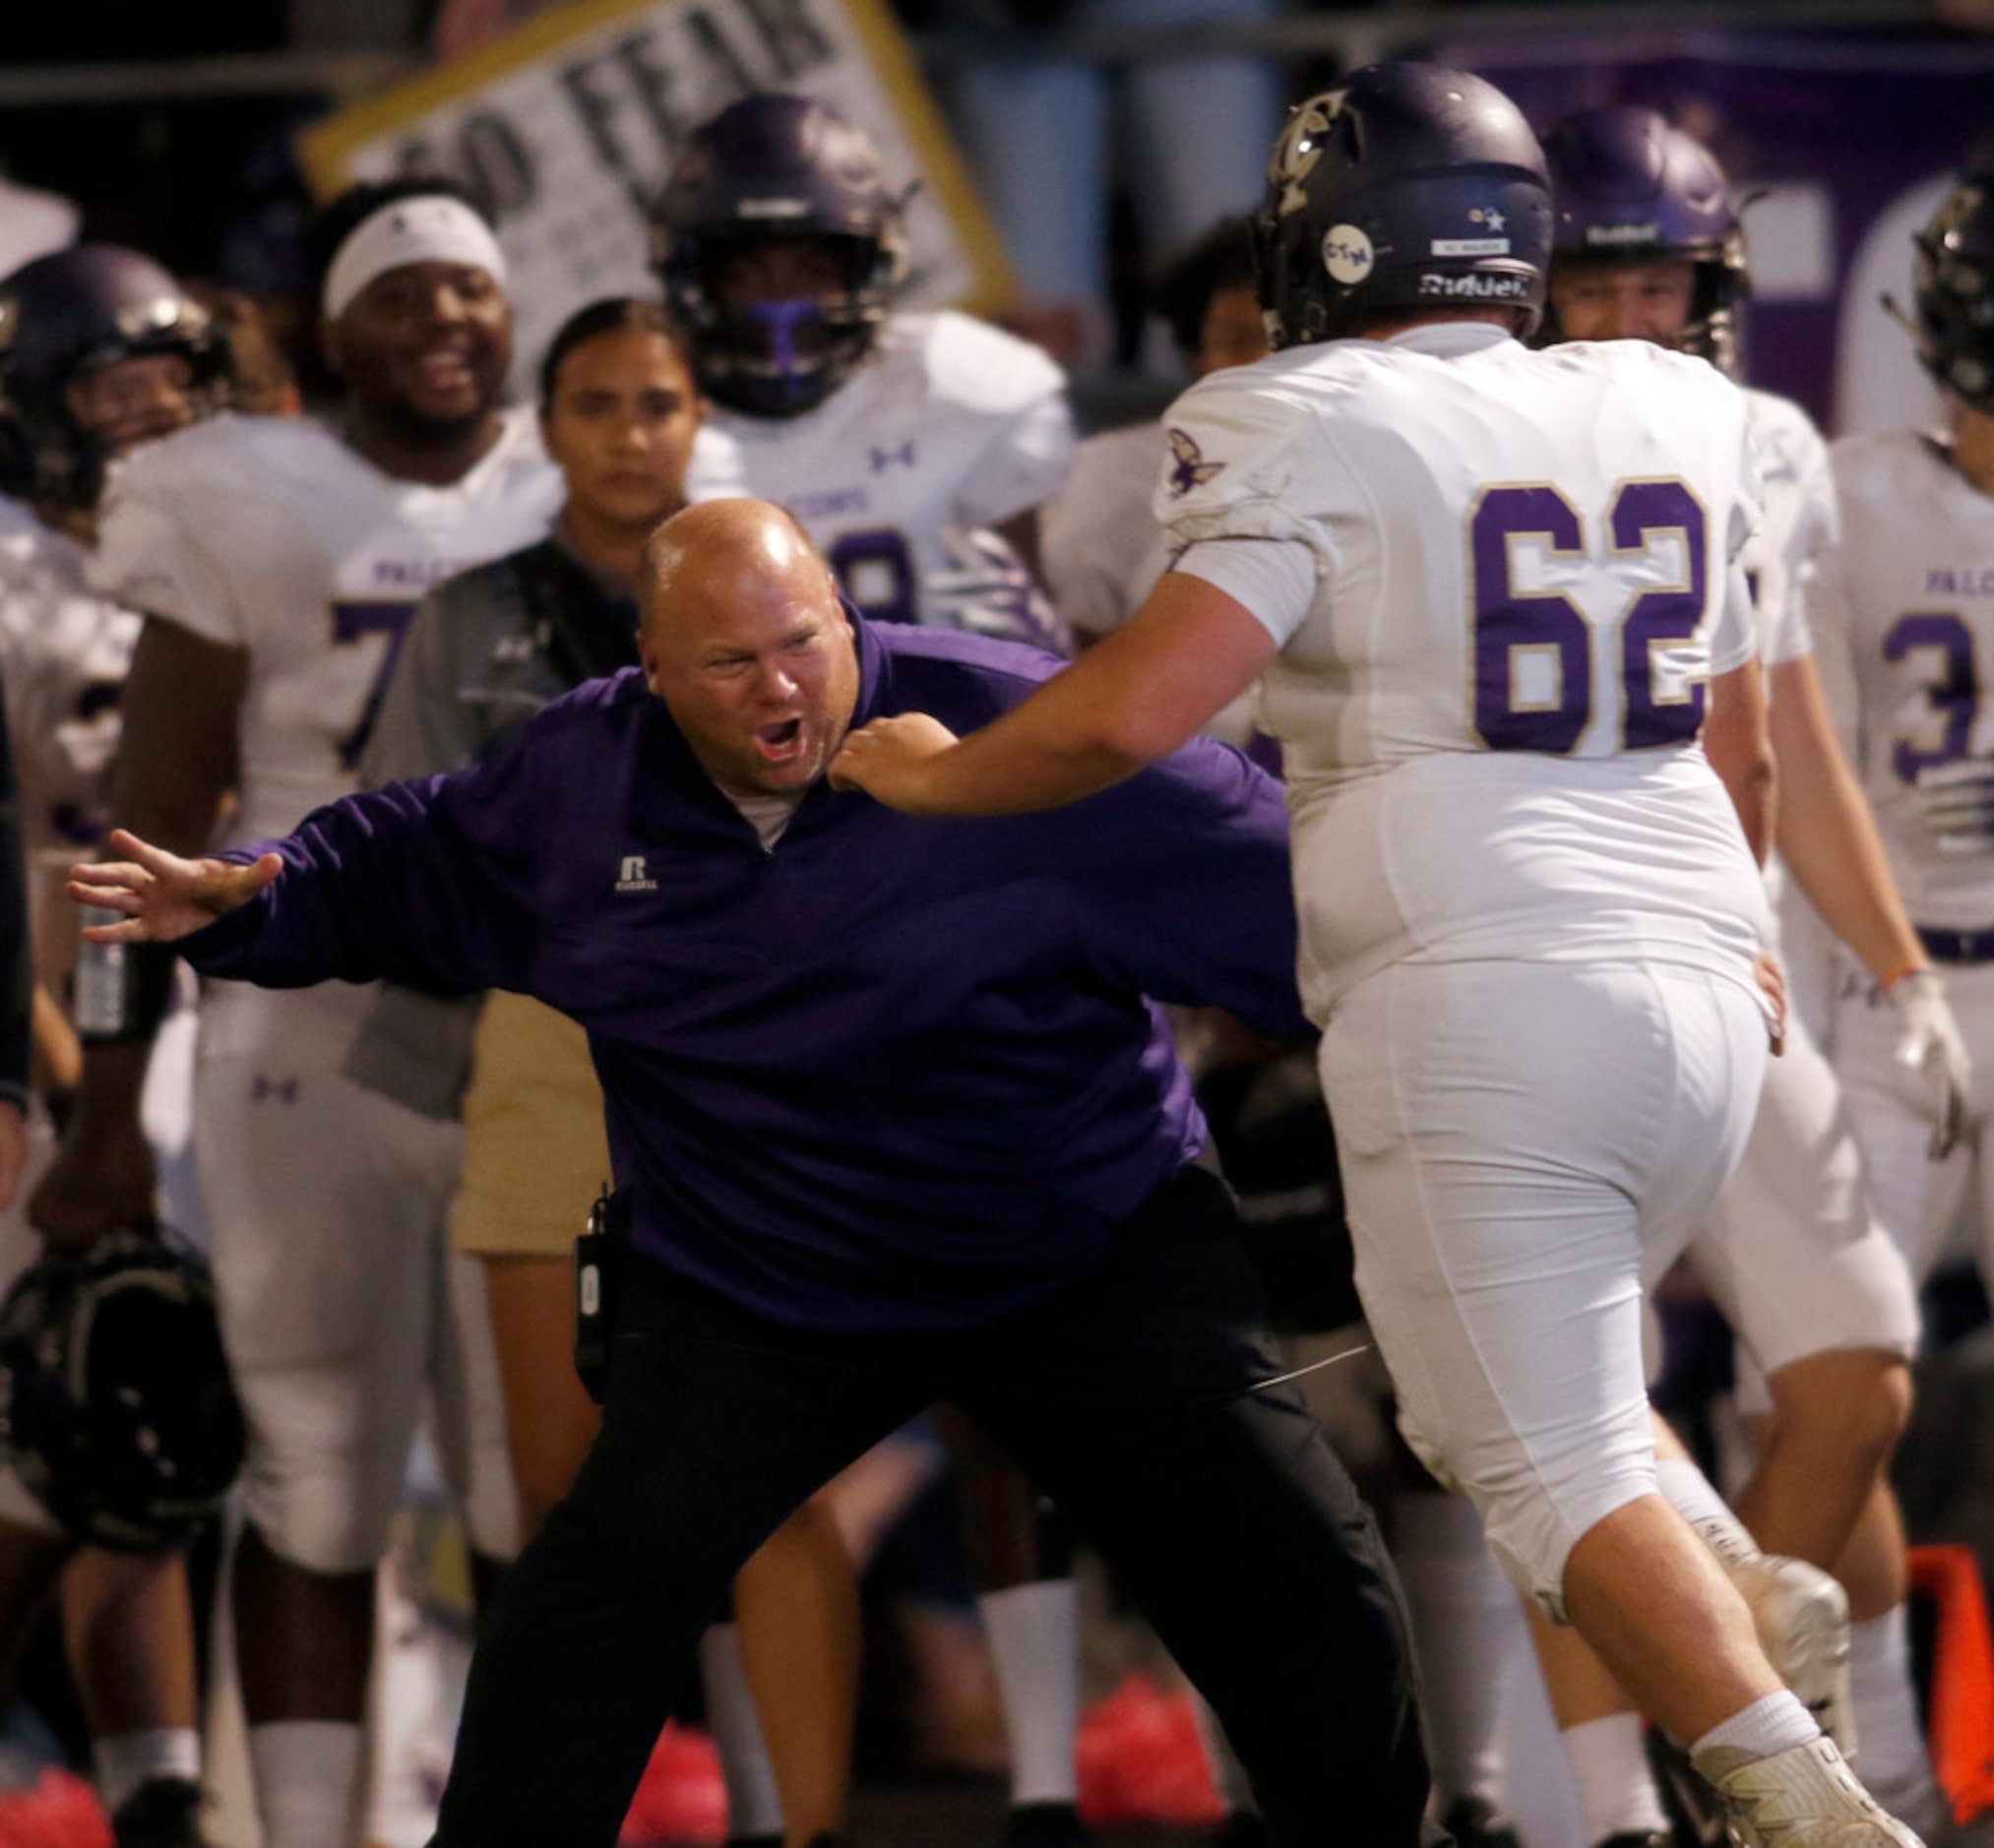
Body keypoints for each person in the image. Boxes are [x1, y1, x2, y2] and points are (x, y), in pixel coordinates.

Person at [831, 61, 1922, 1848]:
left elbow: (1134, 714)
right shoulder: (1674, 398)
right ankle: (1734, 1581)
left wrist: (938, 779)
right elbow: (1747, 748)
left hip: (1483, 981)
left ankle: (1804, 1803)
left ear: (1339, 240)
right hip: (1709, 975)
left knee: (1534, 1453)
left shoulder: (1298, 411)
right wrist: (1735, 932)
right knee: (1517, 1388)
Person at [73, 494, 1437, 1848]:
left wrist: (1475, 1030)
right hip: (765, 1276)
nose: (779, 683)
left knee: (1289, 1556)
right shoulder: (578, 775)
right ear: (651, 670)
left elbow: (1315, 906)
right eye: (728, 663)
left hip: (1079, 1240)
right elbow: (407, 854)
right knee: (592, 1593)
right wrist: (261, 893)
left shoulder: (1031, 729)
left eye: (800, 641)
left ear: (845, 616)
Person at [28, 179, 558, 1848]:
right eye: (403, 296)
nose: (444, 322)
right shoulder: (218, 502)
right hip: (273, 1025)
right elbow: (141, 822)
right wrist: (98, 1103)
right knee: (266, 1470)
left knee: (532, 1486)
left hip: (530, 1034)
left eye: (471, 289)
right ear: (331, 334)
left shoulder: (585, 467)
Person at [361, 298, 858, 1848]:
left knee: (773, 1482)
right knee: (565, 1502)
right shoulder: (474, 614)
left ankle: (799, 1827)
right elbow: (411, 848)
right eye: (594, 402)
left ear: (699, 415)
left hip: (766, 1054)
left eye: (657, 400)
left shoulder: (781, 583)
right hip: (549, 1045)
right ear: (545, 424)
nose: (630, 431)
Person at [1525, 104, 1962, 1847]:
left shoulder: (1767, 436)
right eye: (1594, 283)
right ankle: (1612, 1805)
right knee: (1574, 1413)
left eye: (1658, 283)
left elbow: (1782, 726)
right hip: (1558, 959)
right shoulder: (1461, 427)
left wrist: (1894, 960)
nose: (1628, 316)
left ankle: (1742, 1745)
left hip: (1749, 958)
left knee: (1854, 1364)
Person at [659, 92, 1090, 1846]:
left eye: (804, 259)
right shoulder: (644, 428)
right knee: (731, 1387)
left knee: (1031, 1378)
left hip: (972, 907)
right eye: (741, 262)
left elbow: (1058, 634)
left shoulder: (977, 395)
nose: (773, 298)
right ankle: (778, 1805)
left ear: (870, 266)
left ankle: (1055, 1779)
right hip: (754, 942)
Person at [0, 242, 241, 1848]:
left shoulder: (258, 527)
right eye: (112, 392)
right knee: (60, 1415)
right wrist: (55, 1064)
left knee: (153, 1414)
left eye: (173, 386)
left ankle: (161, 1778)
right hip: (60, 1004)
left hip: (246, 996)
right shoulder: (14, 572)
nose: (149, 419)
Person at [663, 92, 1076, 657]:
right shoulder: (653, 417)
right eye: (746, 273)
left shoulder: (959, 379)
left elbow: (1060, 620)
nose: (783, 302)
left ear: (873, 265)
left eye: (813, 270)